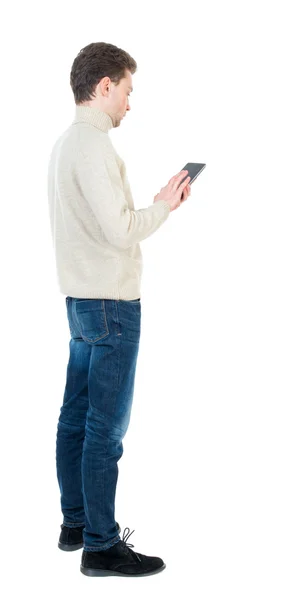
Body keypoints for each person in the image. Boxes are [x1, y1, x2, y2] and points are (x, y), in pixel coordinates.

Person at [47, 41, 191, 578]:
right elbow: (121, 229)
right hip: (110, 304)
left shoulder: (67, 144)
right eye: (127, 91)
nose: (130, 103)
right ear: (103, 86)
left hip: (82, 302)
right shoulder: (92, 147)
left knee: (75, 418)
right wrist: (165, 206)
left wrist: (150, 204)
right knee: (105, 429)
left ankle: (75, 523)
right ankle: (101, 546)